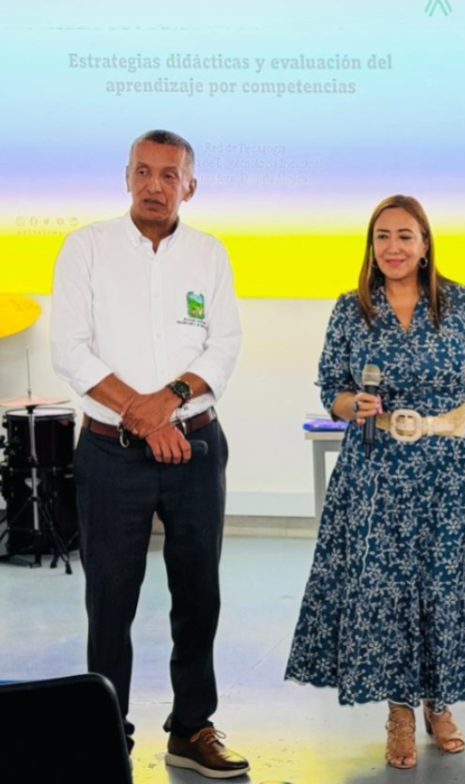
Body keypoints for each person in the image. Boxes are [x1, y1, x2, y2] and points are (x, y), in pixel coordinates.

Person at [286, 194, 465, 769]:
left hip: (446, 473)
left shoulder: (459, 303)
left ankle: (440, 705)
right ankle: (399, 713)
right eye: (382, 236)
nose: (393, 247)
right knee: (384, 595)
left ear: (425, 243)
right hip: (377, 472)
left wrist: (460, 415)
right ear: (372, 245)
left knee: (444, 588)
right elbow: (328, 387)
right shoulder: (351, 309)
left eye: (405, 236)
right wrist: (349, 405)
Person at [50, 130, 248, 778]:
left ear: (190, 185)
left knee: (199, 593)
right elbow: (71, 348)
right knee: (111, 597)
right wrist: (144, 415)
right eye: (143, 172)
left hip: (193, 445)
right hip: (111, 454)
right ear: (127, 177)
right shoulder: (87, 248)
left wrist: (168, 403)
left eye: (169, 175)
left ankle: (191, 729)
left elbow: (223, 346)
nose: (155, 185)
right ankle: (104, 731)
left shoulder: (210, 255)